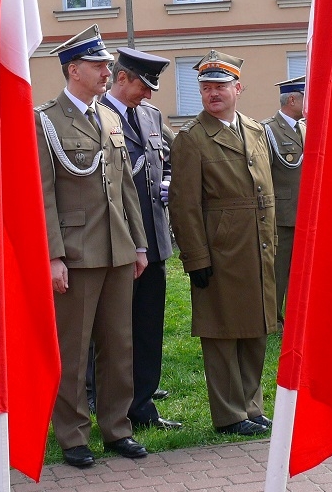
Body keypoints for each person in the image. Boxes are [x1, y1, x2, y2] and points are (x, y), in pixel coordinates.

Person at [35, 24, 149, 468]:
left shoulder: (108, 117)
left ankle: (117, 428)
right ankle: (73, 434)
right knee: (73, 346)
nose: (107, 71)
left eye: (107, 65)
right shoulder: (45, 120)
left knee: (118, 345)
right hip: (77, 252)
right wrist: (53, 255)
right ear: (73, 69)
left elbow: (125, 189)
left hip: (118, 248)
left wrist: (138, 244)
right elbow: (42, 194)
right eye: (99, 65)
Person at [169, 51, 277, 436]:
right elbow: (184, 205)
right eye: (205, 87)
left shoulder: (255, 129)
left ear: (238, 88)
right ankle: (230, 414)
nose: (212, 94)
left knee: (257, 329)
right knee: (222, 333)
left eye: (220, 86)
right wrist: (196, 256)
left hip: (258, 245)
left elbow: (268, 189)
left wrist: (272, 241)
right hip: (221, 248)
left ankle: (252, 404)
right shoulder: (192, 139)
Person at [99, 47, 181, 432]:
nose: (148, 95)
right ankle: (101, 399)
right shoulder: (97, 116)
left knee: (148, 326)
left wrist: (166, 181)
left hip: (153, 236)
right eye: (143, 86)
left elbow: (164, 160)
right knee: (112, 330)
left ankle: (143, 404)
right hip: (115, 241)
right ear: (121, 78)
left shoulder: (151, 116)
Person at [261, 76, 305, 327]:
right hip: (282, 211)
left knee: (301, 271)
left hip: (304, 211)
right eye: (305, 97)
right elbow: (264, 171)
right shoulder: (268, 129)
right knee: (278, 270)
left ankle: (297, 316)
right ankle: (273, 319)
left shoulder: (304, 127)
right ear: (291, 99)